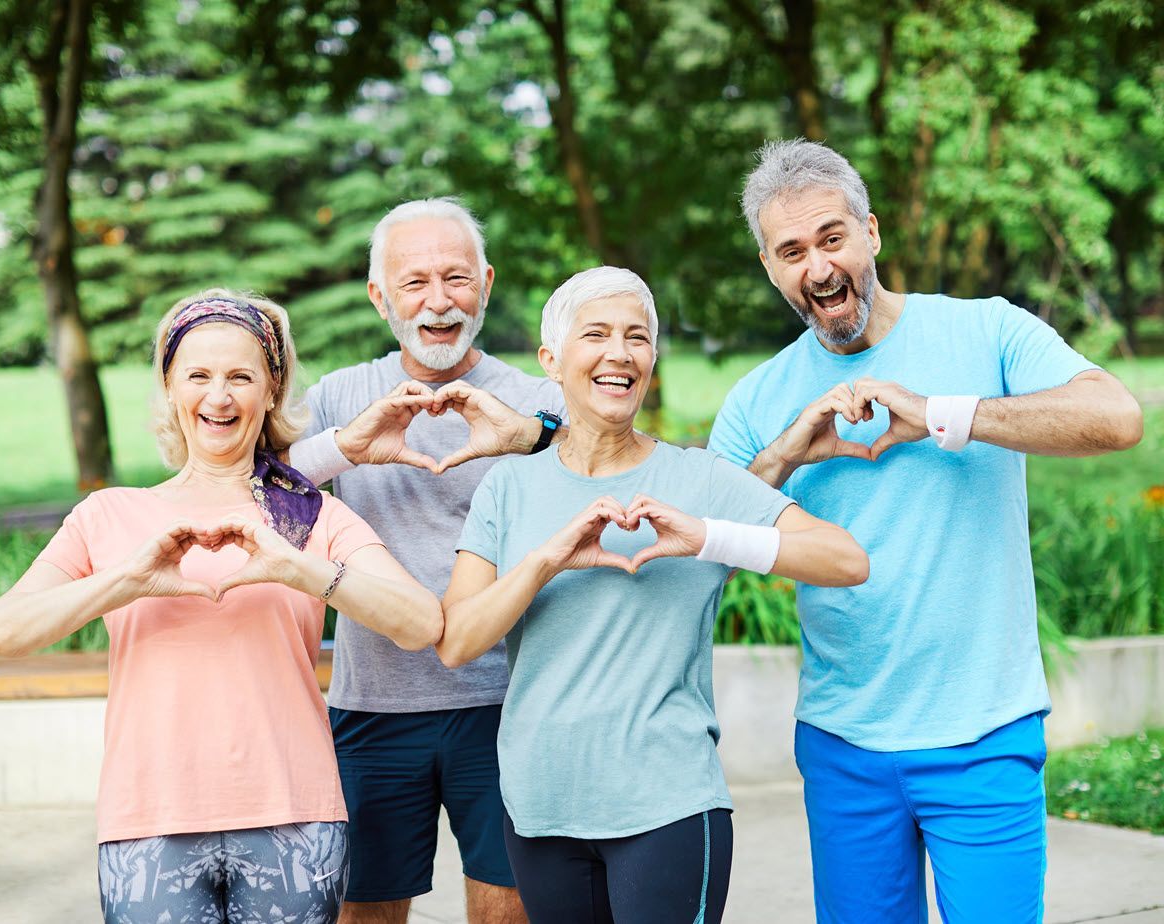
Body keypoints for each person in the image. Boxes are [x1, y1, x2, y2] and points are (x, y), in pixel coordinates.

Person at [708, 140, 1144, 923]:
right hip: (844, 745)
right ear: (771, 267)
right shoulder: (757, 398)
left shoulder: (986, 332)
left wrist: (947, 415)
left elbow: (1117, 417)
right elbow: (701, 556)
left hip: (984, 734)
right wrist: (782, 455)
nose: (818, 268)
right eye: (792, 251)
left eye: (833, 238)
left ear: (872, 232)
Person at [0, 290, 443, 924]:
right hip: (150, 818)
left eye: (240, 376)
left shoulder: (309, 516)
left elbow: (421, 623)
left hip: (294, 816)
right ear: (170, 388)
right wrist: (128, 580)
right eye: (197, 375)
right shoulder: (109, 515)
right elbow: (4, 632)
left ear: (272, 391)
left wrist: (296, 566)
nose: (219, 395)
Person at [436, 266, 869, 924]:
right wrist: (547, 560)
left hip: (666, 804)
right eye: (597, 334)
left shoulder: (700, 482)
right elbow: (458, 641)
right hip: (541, 807)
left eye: (637, 337)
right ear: (551, 360)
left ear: (653, 360)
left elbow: (846, 559)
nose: (620, 353)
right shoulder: (507, 489)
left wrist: (709, 537)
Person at [286, 198, 567, 924]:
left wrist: (527, 438)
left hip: (506, 701)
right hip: (372, 704)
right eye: (414, 283)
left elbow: (594, 454)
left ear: (487, 283)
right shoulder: (340, 396)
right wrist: (346, 446)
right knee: (364, 913)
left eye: (457, 278)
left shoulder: (536, 397)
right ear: (380, 297)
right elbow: (261, 490)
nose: (438, 302)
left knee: (510, 910)